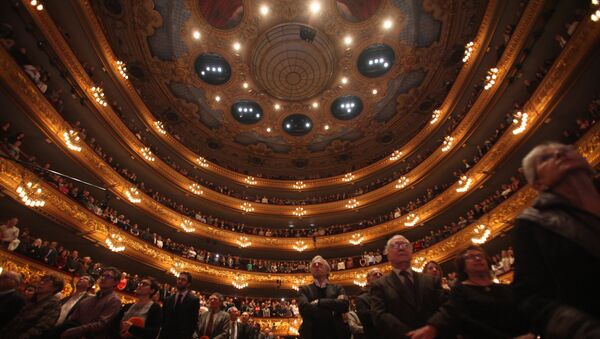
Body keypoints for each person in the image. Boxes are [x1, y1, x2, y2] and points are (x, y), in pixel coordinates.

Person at [513, 143, 600, 338]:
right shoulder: (532, 225)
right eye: (545, 158)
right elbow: (531, 297)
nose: (560, 152)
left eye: (567, 149)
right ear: (538, 184)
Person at [422, 246, 531, 338]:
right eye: (471, 257)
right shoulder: (460, 292)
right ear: (463, 266)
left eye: (480, 256)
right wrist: (431, 327)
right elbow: (450, 312)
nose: (478, 259)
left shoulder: (504, 288)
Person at [369, 235, 445, 338]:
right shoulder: (379, 285)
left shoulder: (431, 280)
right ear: (388, 256)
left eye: (405, 245)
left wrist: (432, 327)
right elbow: (379, 315)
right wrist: (411, 335)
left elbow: (445, 306)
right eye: (395, 245)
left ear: (411, 252)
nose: (401, 247)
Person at [60, 267, 122, 338]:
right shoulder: (89, 299)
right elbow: (74, 317)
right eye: (102, 275)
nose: (103, 278)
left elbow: (101, 324)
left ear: (116, 282)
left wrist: (74, 330)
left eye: (108, 276)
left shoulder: (114, 300)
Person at [297, 255, 350, 339]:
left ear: (327, 270)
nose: (317, 265)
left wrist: (318, 302)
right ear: (311, 271)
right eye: (314, 265)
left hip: (336, 333)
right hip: (311, 334)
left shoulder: (337, 288)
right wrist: (332, 308)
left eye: (320, 264)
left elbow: (344, 305)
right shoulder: (304, 289)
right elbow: (304, 310)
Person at [159, 272, 199, 339]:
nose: (180, 281)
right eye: (179, 279)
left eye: (183, 280)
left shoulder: (194, 300)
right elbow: (163, 318)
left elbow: (193, 322)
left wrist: (187, 335)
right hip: (165, 335)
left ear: (188, 284)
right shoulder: (168, 299)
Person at [355, 268, 383, 339]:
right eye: (375, 274)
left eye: (380, 274)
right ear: (368, 279)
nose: (378, 275)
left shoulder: (389, 293)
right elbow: (366, 318)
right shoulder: (361, 298)